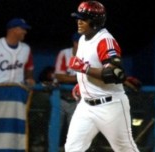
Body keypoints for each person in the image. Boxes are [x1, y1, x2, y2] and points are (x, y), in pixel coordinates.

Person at [65, 1, 139, 151]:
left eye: (83, 18)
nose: (78, 21)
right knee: (72, 148)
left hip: (110, 105)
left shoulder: (105, 40)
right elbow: (92, 68)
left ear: (95, 21)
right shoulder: (82, 39)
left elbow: (115, 74)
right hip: (86, 106)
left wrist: (84, 69)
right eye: (78, 18)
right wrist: (83, 85)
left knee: (125, 149)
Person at [0, 18, 35, 86]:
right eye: (22, 29)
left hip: (17, 88)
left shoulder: (26, 48)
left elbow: (29, 67)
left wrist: (29, 78)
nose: (25, 32)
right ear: (12, 29)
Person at [54, 33, 80, 148]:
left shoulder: (89, 56)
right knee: (55, 130)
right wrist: (78, 78)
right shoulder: (65, 53)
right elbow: (59, 76)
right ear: (75, 43)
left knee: (75, 133)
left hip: (77, 101)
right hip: (60, 98)